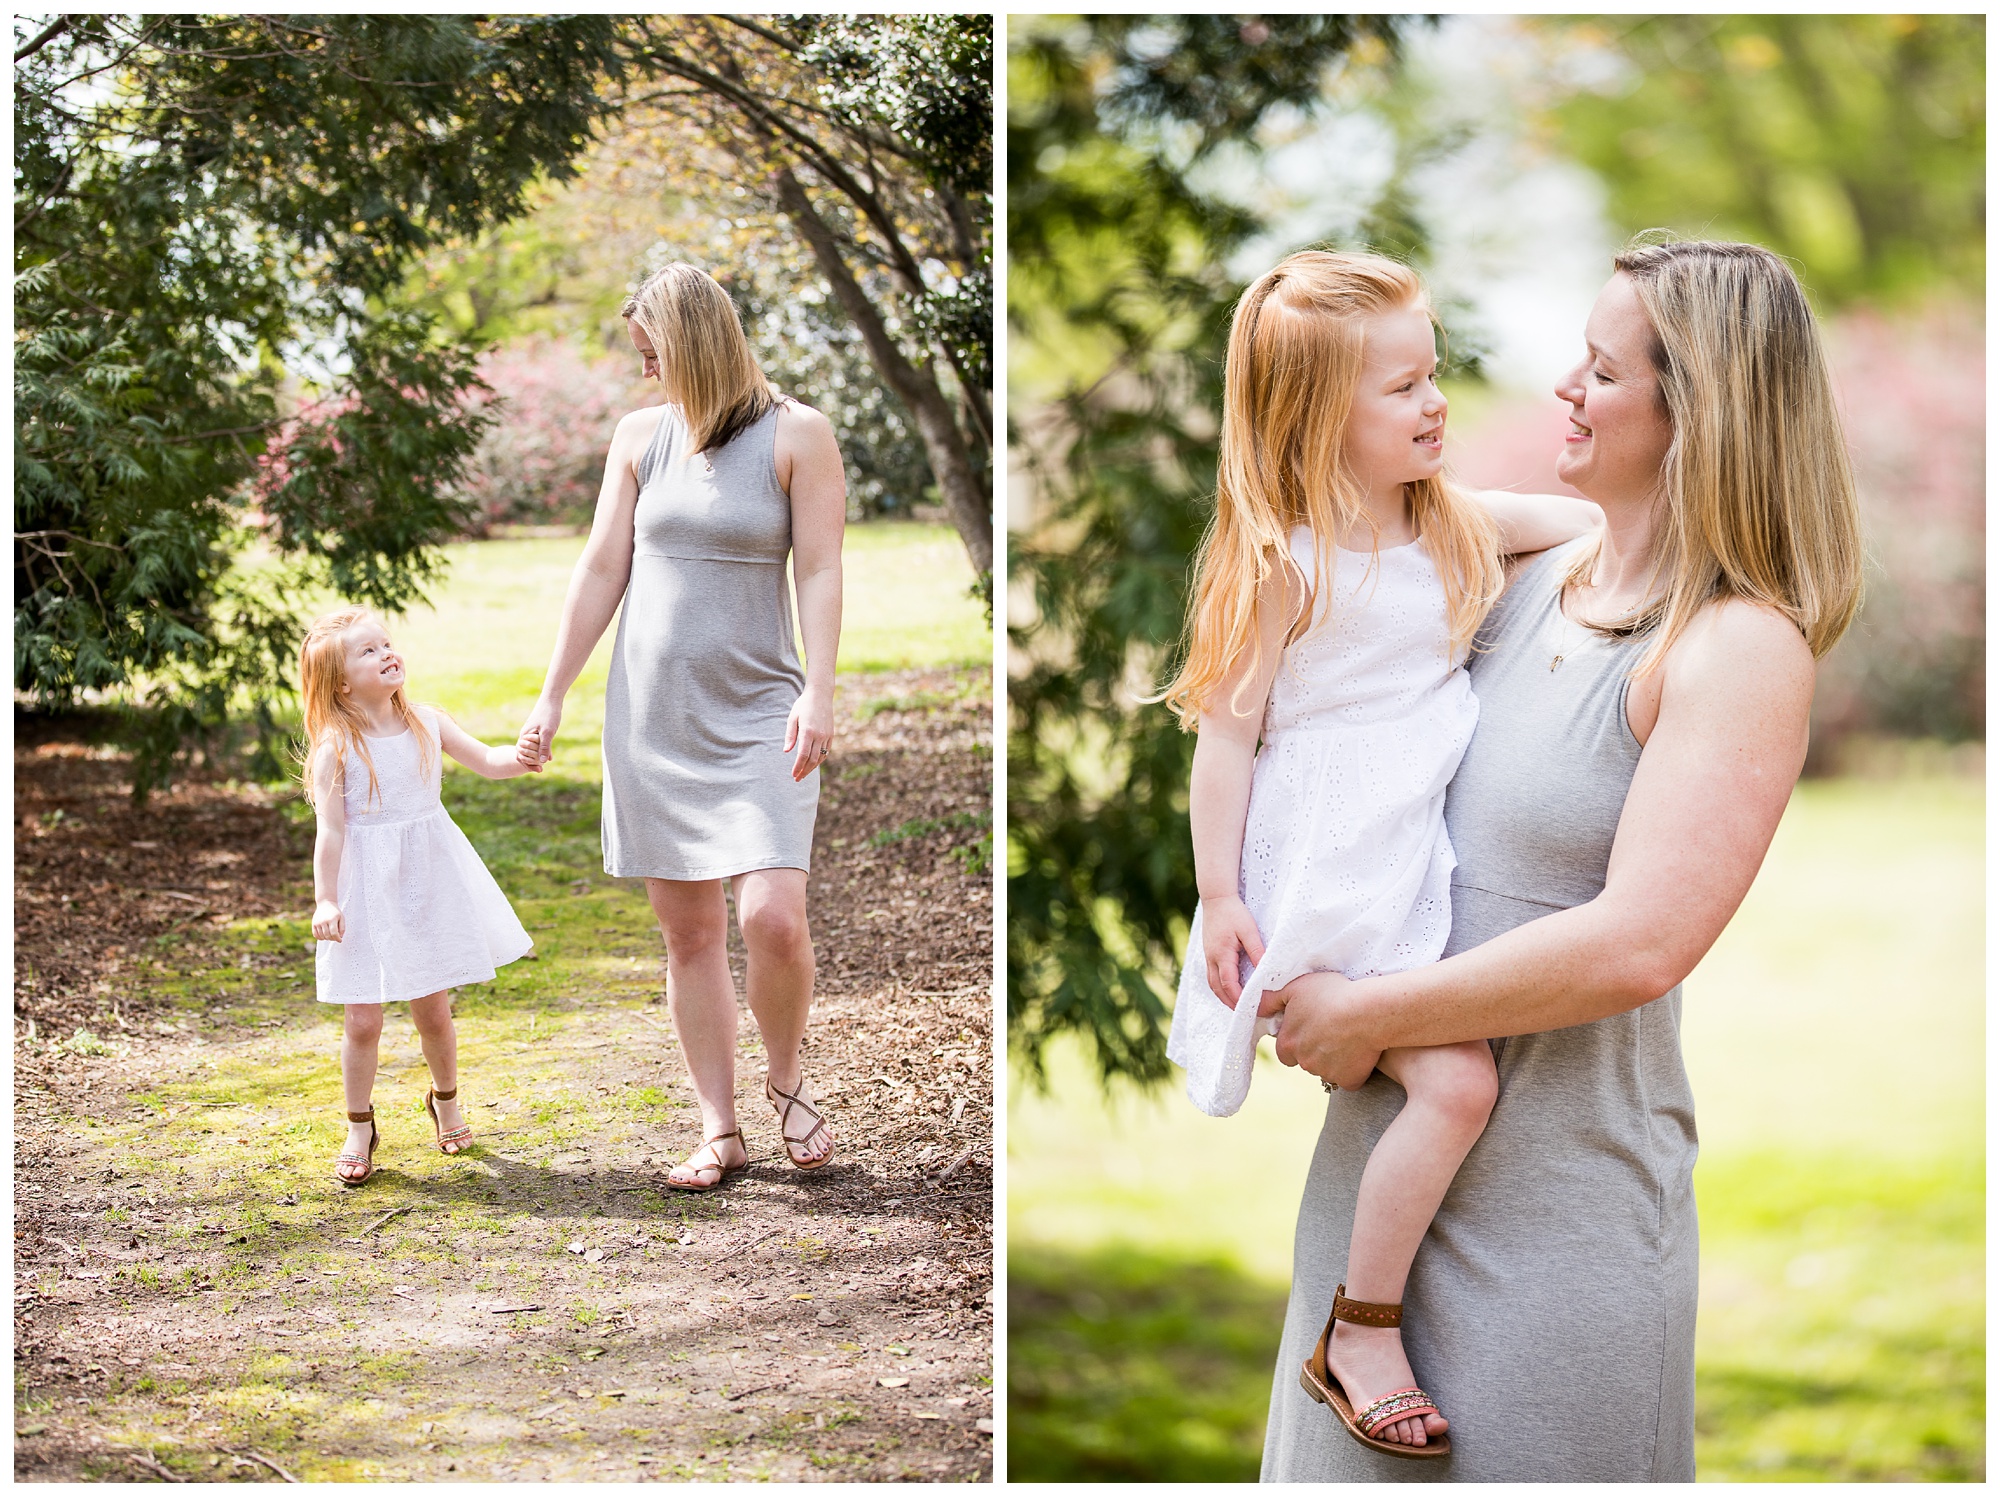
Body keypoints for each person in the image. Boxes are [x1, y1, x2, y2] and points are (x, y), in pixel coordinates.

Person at [1257, 239, 1863, 1480]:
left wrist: (1361, 1010)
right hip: (1372, 1204)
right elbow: (1308, 511)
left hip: (1556, 1231)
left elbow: (1637, 941)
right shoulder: (1514, 572)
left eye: (1598, 369)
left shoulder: (1735, 645)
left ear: (1693, 410)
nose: (1563, 391)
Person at [1161, 250, 1599, 1454]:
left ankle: (1358, 1320)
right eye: (1399, 388)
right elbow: (1225, 743)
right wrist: (1216, 895)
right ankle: (1359, 1331)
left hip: (1398, 875)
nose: (1434, 403)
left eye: (1433, 374)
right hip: (1313, 885)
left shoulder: (1445, 524)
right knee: (1458, 1083)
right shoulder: (1278, 564)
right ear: (1313, 416)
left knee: (1453, 1083)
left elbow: (1588, 529)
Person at [516, 262, 847, 1192]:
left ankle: (785, 1082)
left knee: (772, 915)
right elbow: (599, 571)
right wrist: (554, 694)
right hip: (652, 718)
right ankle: (720, 1126)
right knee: (690, 931)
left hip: (759, 712)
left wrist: (818, 690)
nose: (646, 371)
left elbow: (820, 570)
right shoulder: (638, 438)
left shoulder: (797, 434)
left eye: (654, 353)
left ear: (696, 341)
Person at [302, 606, 539, 1186]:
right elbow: (330, 832)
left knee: (433, 1009)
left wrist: (524, 755)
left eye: (386, 643)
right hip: (364, 893)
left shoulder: (427, 723)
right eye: (367, 651)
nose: (386, 653)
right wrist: (326, 900)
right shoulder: (337, 747)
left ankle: (446, 1100)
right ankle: (360, 1124)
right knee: (362, 1020)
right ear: (340, 682)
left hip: (426, 885)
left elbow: (488, 760)